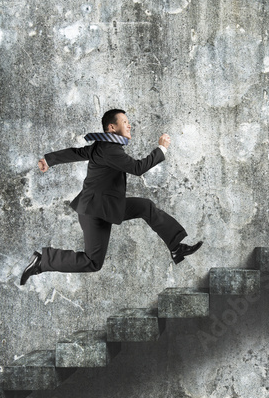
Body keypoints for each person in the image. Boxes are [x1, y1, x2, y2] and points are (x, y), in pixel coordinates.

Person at [20, 109, 202, 285]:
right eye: (125, 122)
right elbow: (138, 168)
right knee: (92, 262)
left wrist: (49, 160)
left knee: (145, 207)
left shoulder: (103, 146)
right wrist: (161, 148)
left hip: (105, 206)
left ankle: (176, 248)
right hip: (94, 211)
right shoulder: (110, 150)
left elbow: (77, 152)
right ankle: (42, 261)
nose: (129, 126)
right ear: (112, 128)